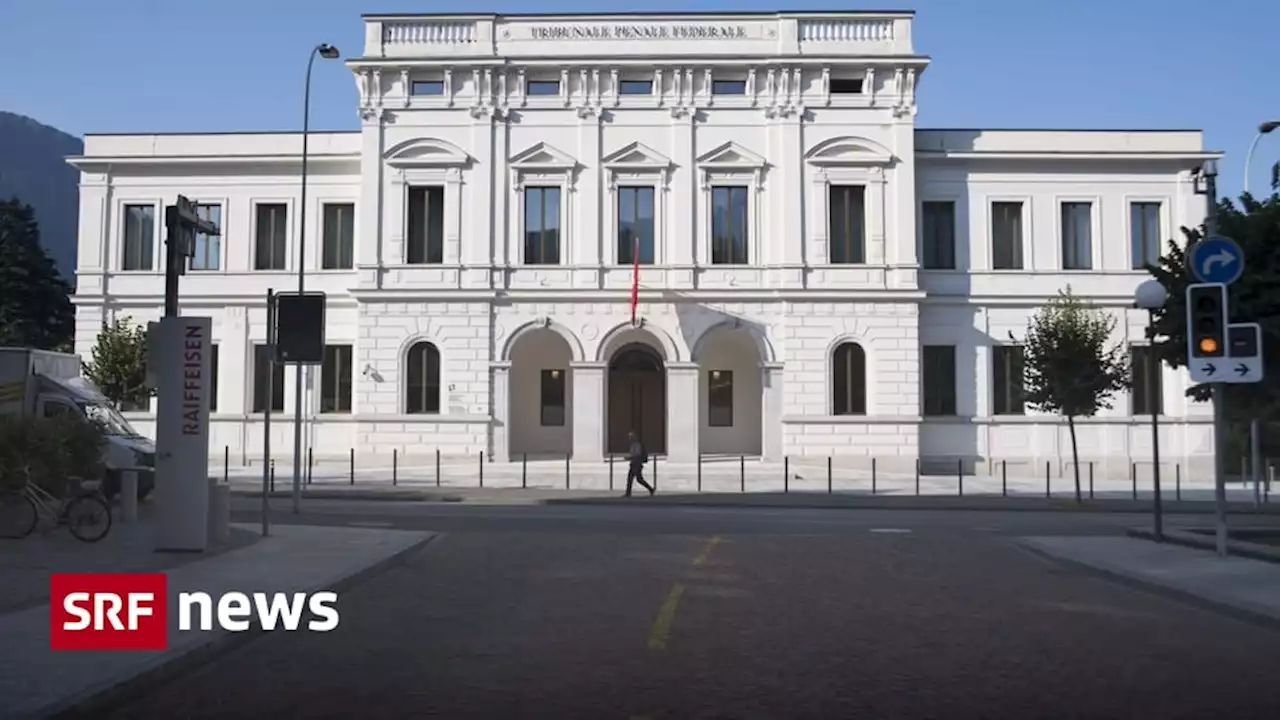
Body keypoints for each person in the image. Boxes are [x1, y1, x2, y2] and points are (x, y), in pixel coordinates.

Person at [624, 431, 654, 497]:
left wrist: (629, 458)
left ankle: (628, 493)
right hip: (635, 464)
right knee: (638, 479)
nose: (629, 438)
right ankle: (650, 489)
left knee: (631, 478)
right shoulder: (633, 444)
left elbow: (637, 454)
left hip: (636, 464)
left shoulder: (636, 444)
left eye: (630, 437)